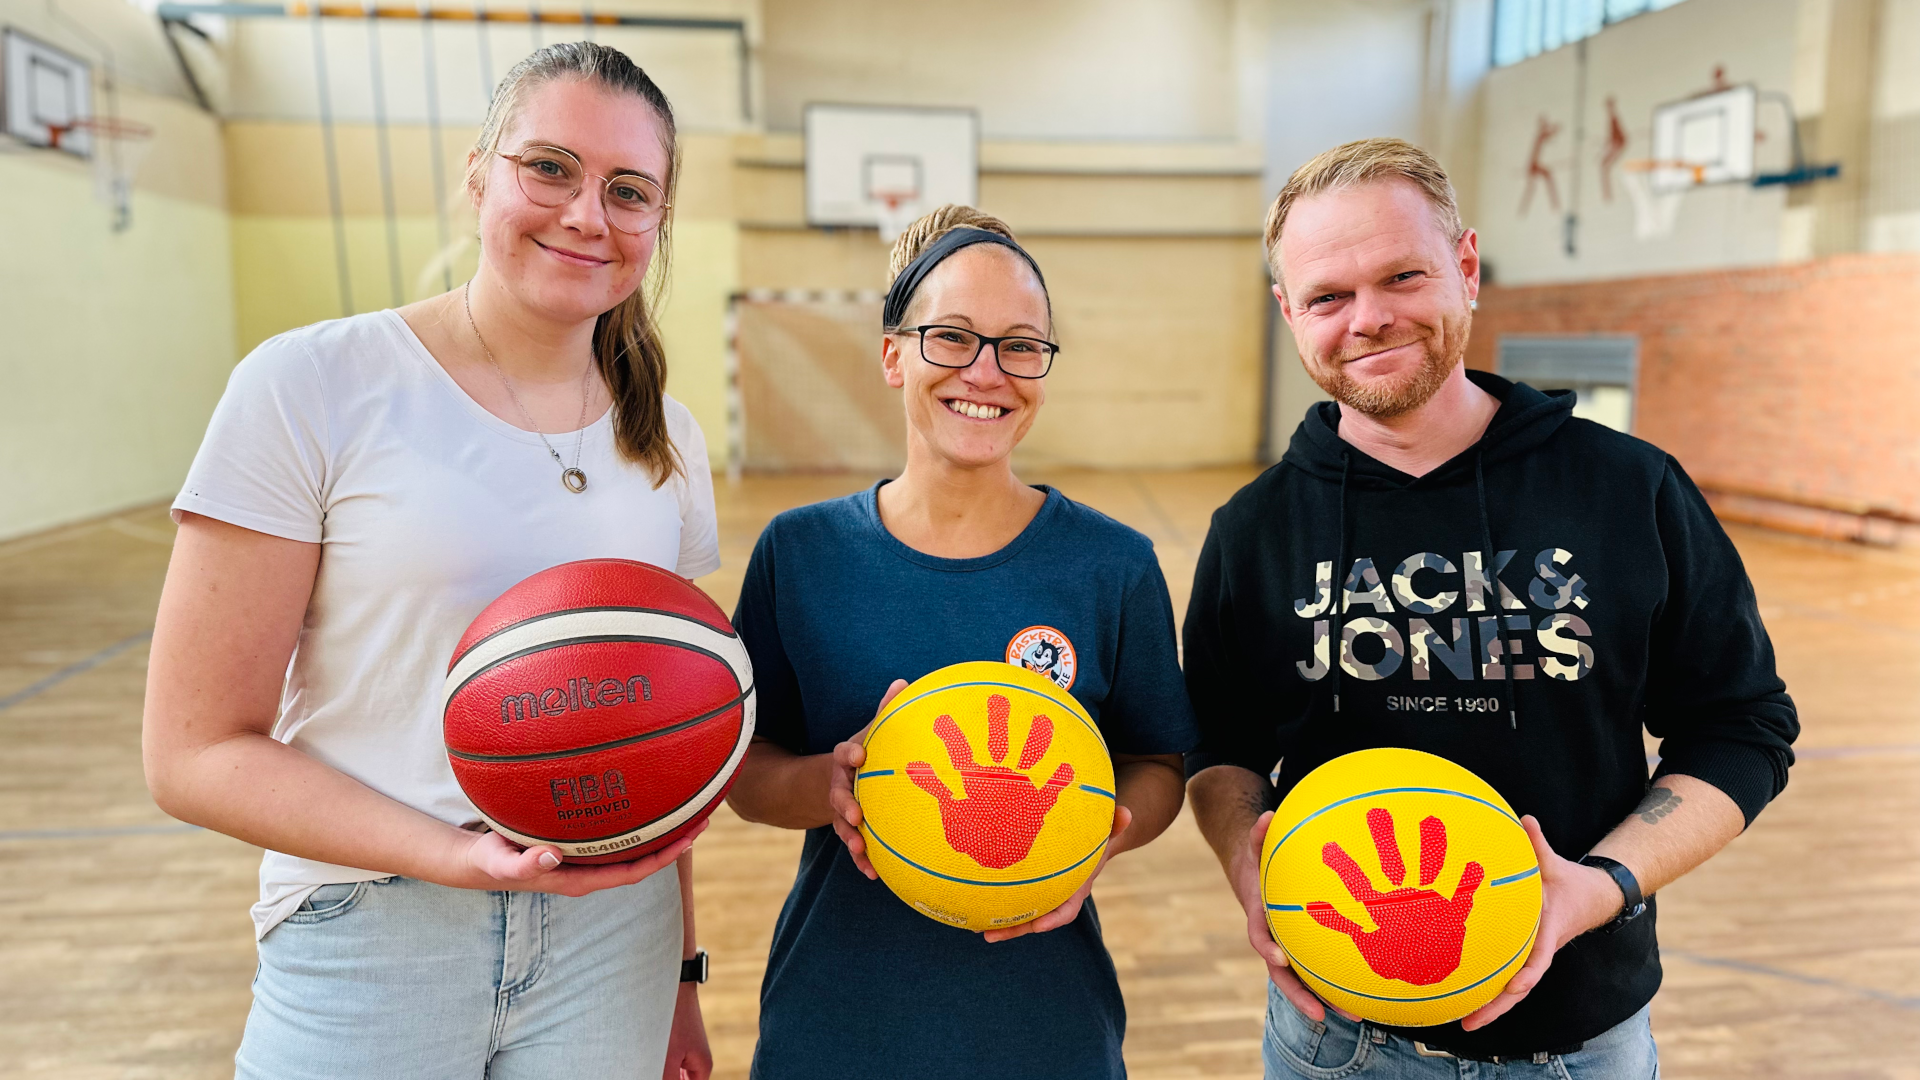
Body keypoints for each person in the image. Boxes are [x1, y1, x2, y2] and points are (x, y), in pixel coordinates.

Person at [143, 43, 717, 1080]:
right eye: (550, 168)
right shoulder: (312, 384)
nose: (587, 213)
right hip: (373, 929)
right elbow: (189, 753)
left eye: (628, 191)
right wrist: (455, 855)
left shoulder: (667, 437)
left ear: (658, 223)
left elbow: (661, 736)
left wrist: (680, 978)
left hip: (610, 944)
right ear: (477, 175)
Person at [1183, 138, 1798, 1077]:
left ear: (1465, 267)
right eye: (1328, 297)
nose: (1369, 319)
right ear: (1289, 311)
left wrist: (1599, 888)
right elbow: (1221, 747)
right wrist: (1244, 860)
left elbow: (1743, 728)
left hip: (1580, 1040)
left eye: (1402, 276)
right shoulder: (1254, 529)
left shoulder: (1629, 489)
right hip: (1335, 1040)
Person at [723, 206, 1198, 1079]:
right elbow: (744, 772)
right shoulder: (800, 553)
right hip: (838, 1019)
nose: (988, 371)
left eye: (1021, 345)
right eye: (952, 337)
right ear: (893, 354)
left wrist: (1104, 832)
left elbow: (1159, 765)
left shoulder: (1114, 565)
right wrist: (826, 785)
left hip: (1043, 1023)